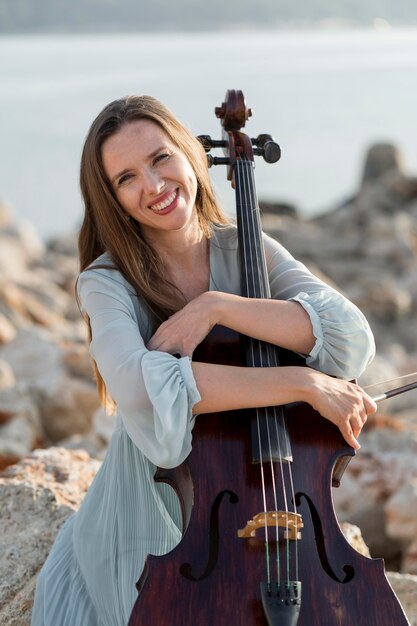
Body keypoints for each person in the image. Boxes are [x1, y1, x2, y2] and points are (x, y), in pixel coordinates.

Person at [31, 95, 377, 626]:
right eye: (126, 178)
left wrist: (217, 306)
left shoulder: (247, 249)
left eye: (160, 158)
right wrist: (303, 382)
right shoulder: (106, 283)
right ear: (113, 199)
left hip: (263, 492)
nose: (152, 185)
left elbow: (349, 336)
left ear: (192, 155)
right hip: (146, 512)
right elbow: (146, 389)